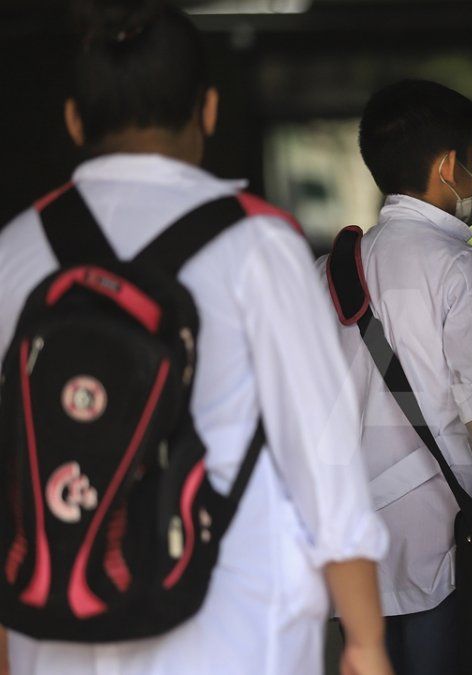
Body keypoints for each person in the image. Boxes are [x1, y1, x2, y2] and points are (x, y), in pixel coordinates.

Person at [0, 1, 392, 673]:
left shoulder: (16, 249)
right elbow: (320, 452)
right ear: (208, 110)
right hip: (230, 624)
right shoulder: (256, 242)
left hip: (57, 626)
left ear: (73, 120)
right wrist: (365, 637)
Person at [317, 79, 472, 675]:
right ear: (447, 167)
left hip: (354, 537)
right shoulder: (461, 268)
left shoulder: (329, 272)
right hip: (445, 533)